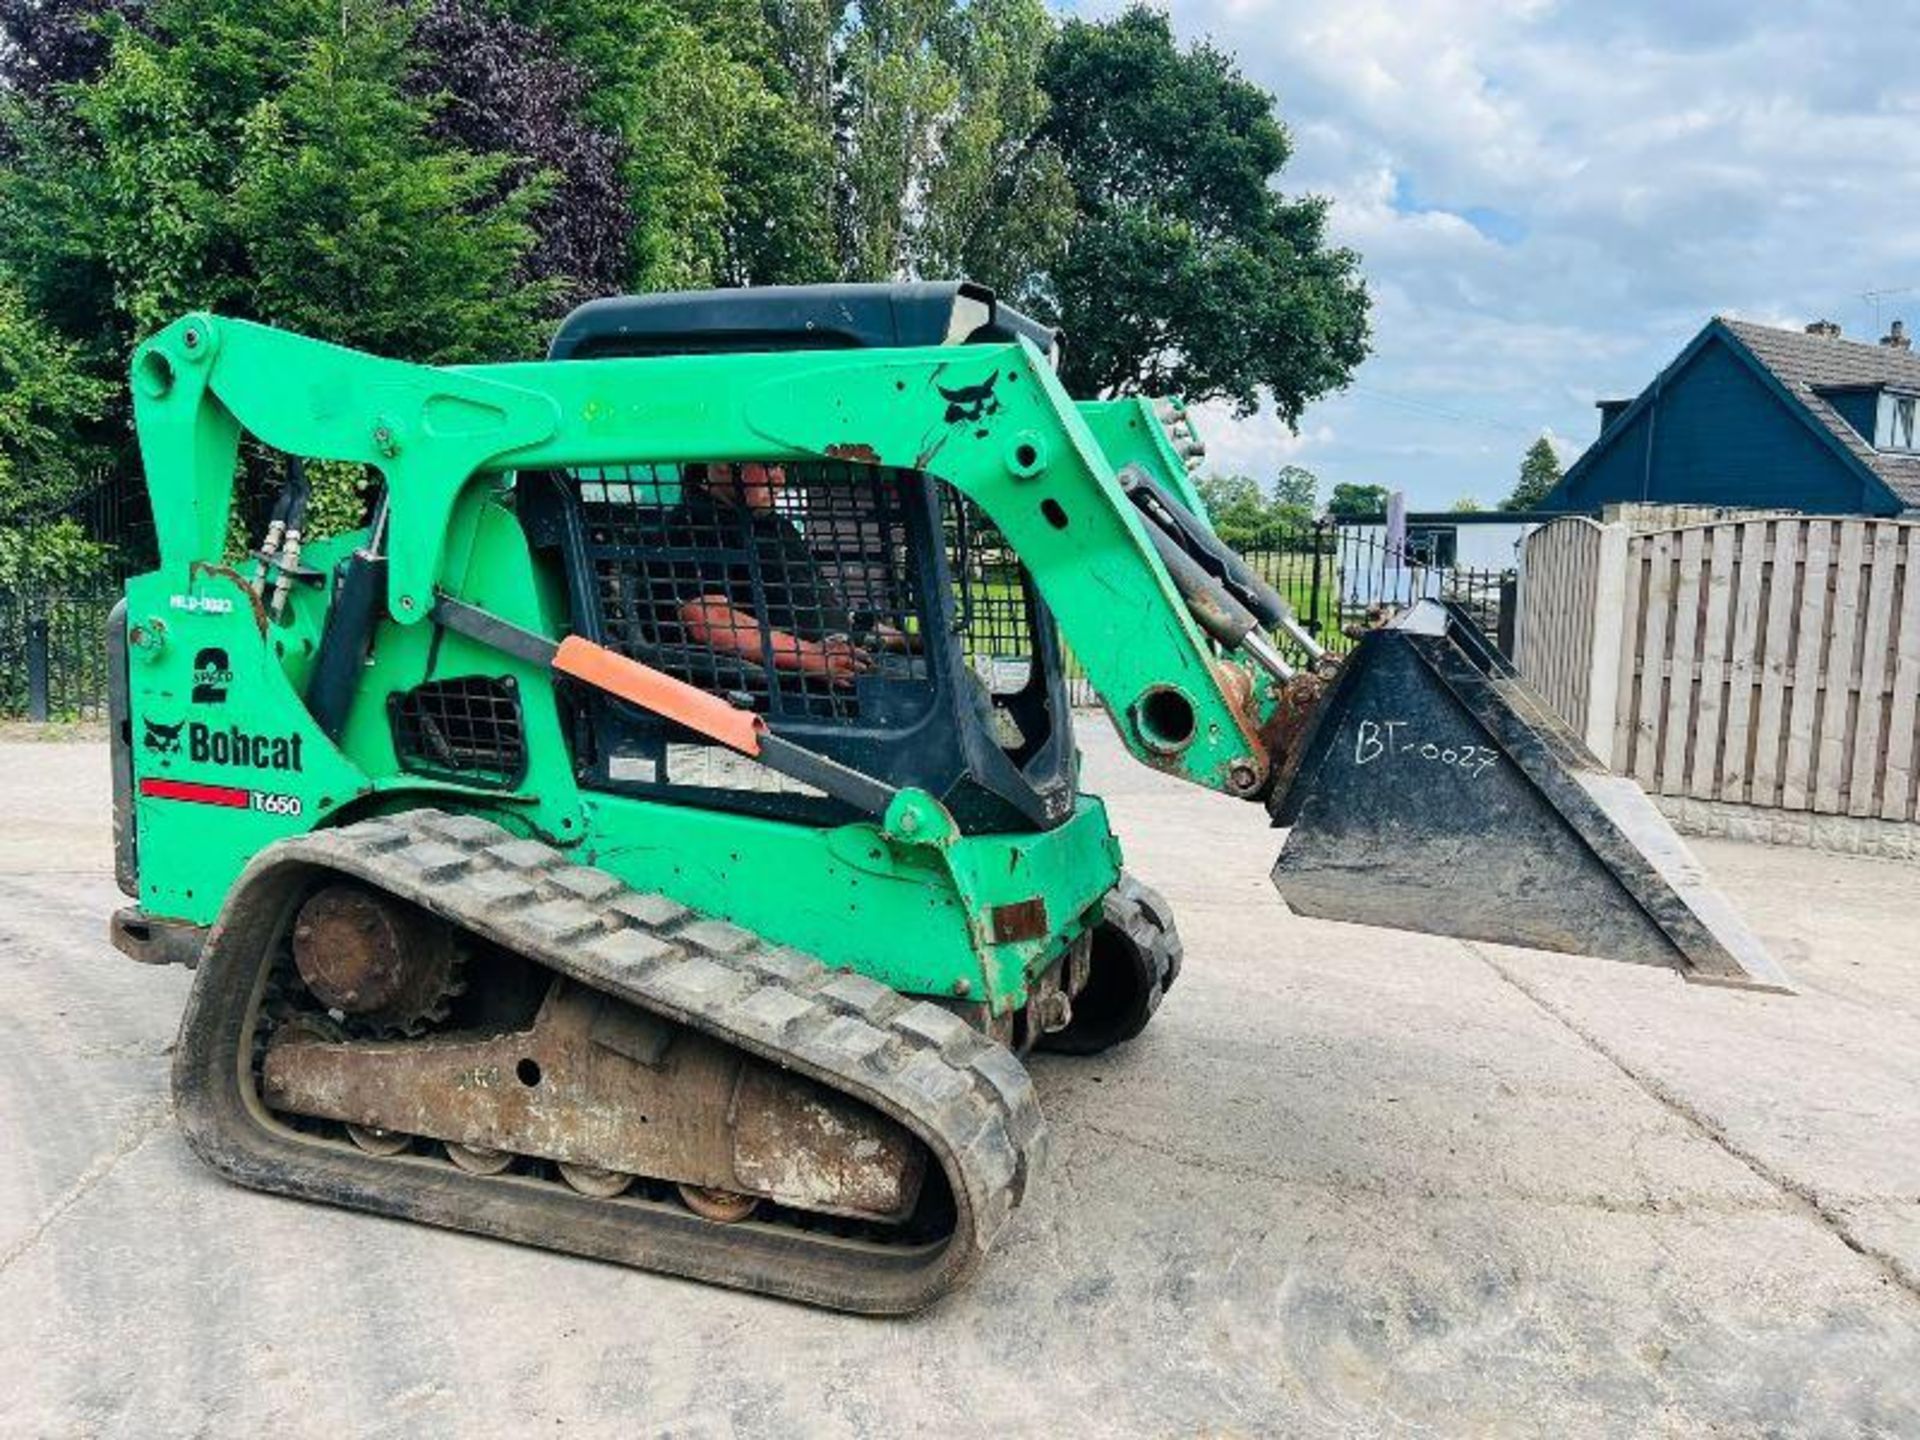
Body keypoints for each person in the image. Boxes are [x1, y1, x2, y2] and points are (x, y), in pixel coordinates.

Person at [658, 462, 894, 684]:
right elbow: (709, 622)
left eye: (782, 466)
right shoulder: (695, 524)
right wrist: (813, 657)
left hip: (840, 664)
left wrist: (907, 640)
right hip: (780, 689)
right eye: (769, 465)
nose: (779, 478)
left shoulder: (774, 526)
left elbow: (822, 611)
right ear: (721, 464)